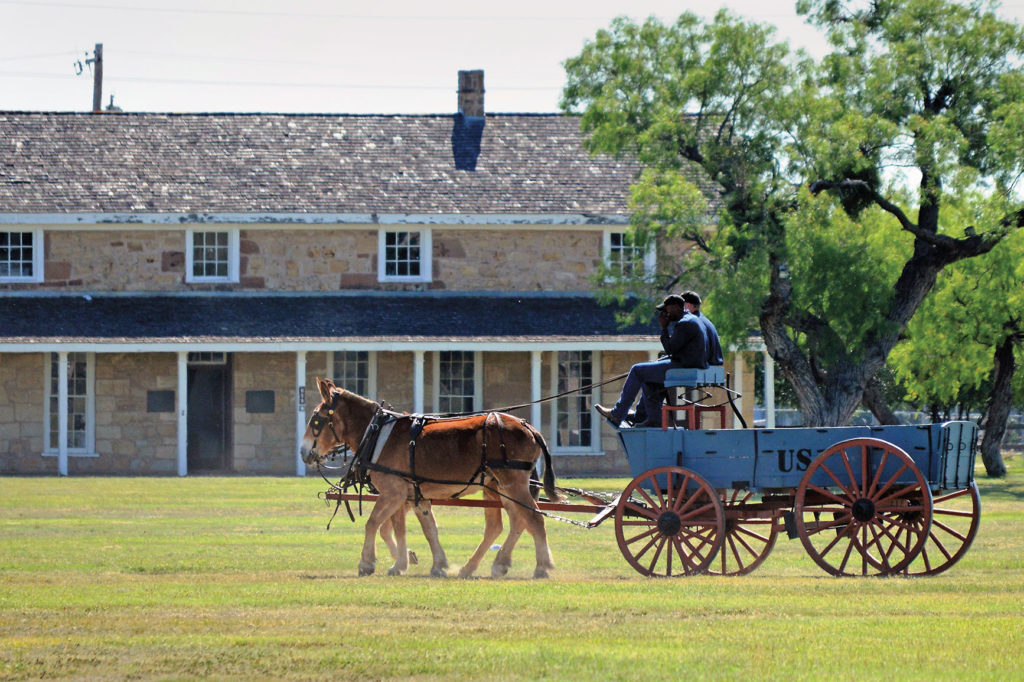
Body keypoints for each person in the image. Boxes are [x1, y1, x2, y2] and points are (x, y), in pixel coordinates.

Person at [595, 294, 708, 428]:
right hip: (688, 365)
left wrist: (664, 328)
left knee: (637, 370)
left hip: (684, 367)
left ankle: (618, 413)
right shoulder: (690, 320)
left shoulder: (685, 323)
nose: (665, 314)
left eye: (666, 310)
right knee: (649, 378)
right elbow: (679, 350)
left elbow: (670, 349)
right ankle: (645, 417)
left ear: (675, 308)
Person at [681, 290, 723, 366]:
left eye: (681, 305)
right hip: (714, 369)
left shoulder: (692, 322)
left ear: (688, 306)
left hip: (703, 369)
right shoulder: (706, 321)